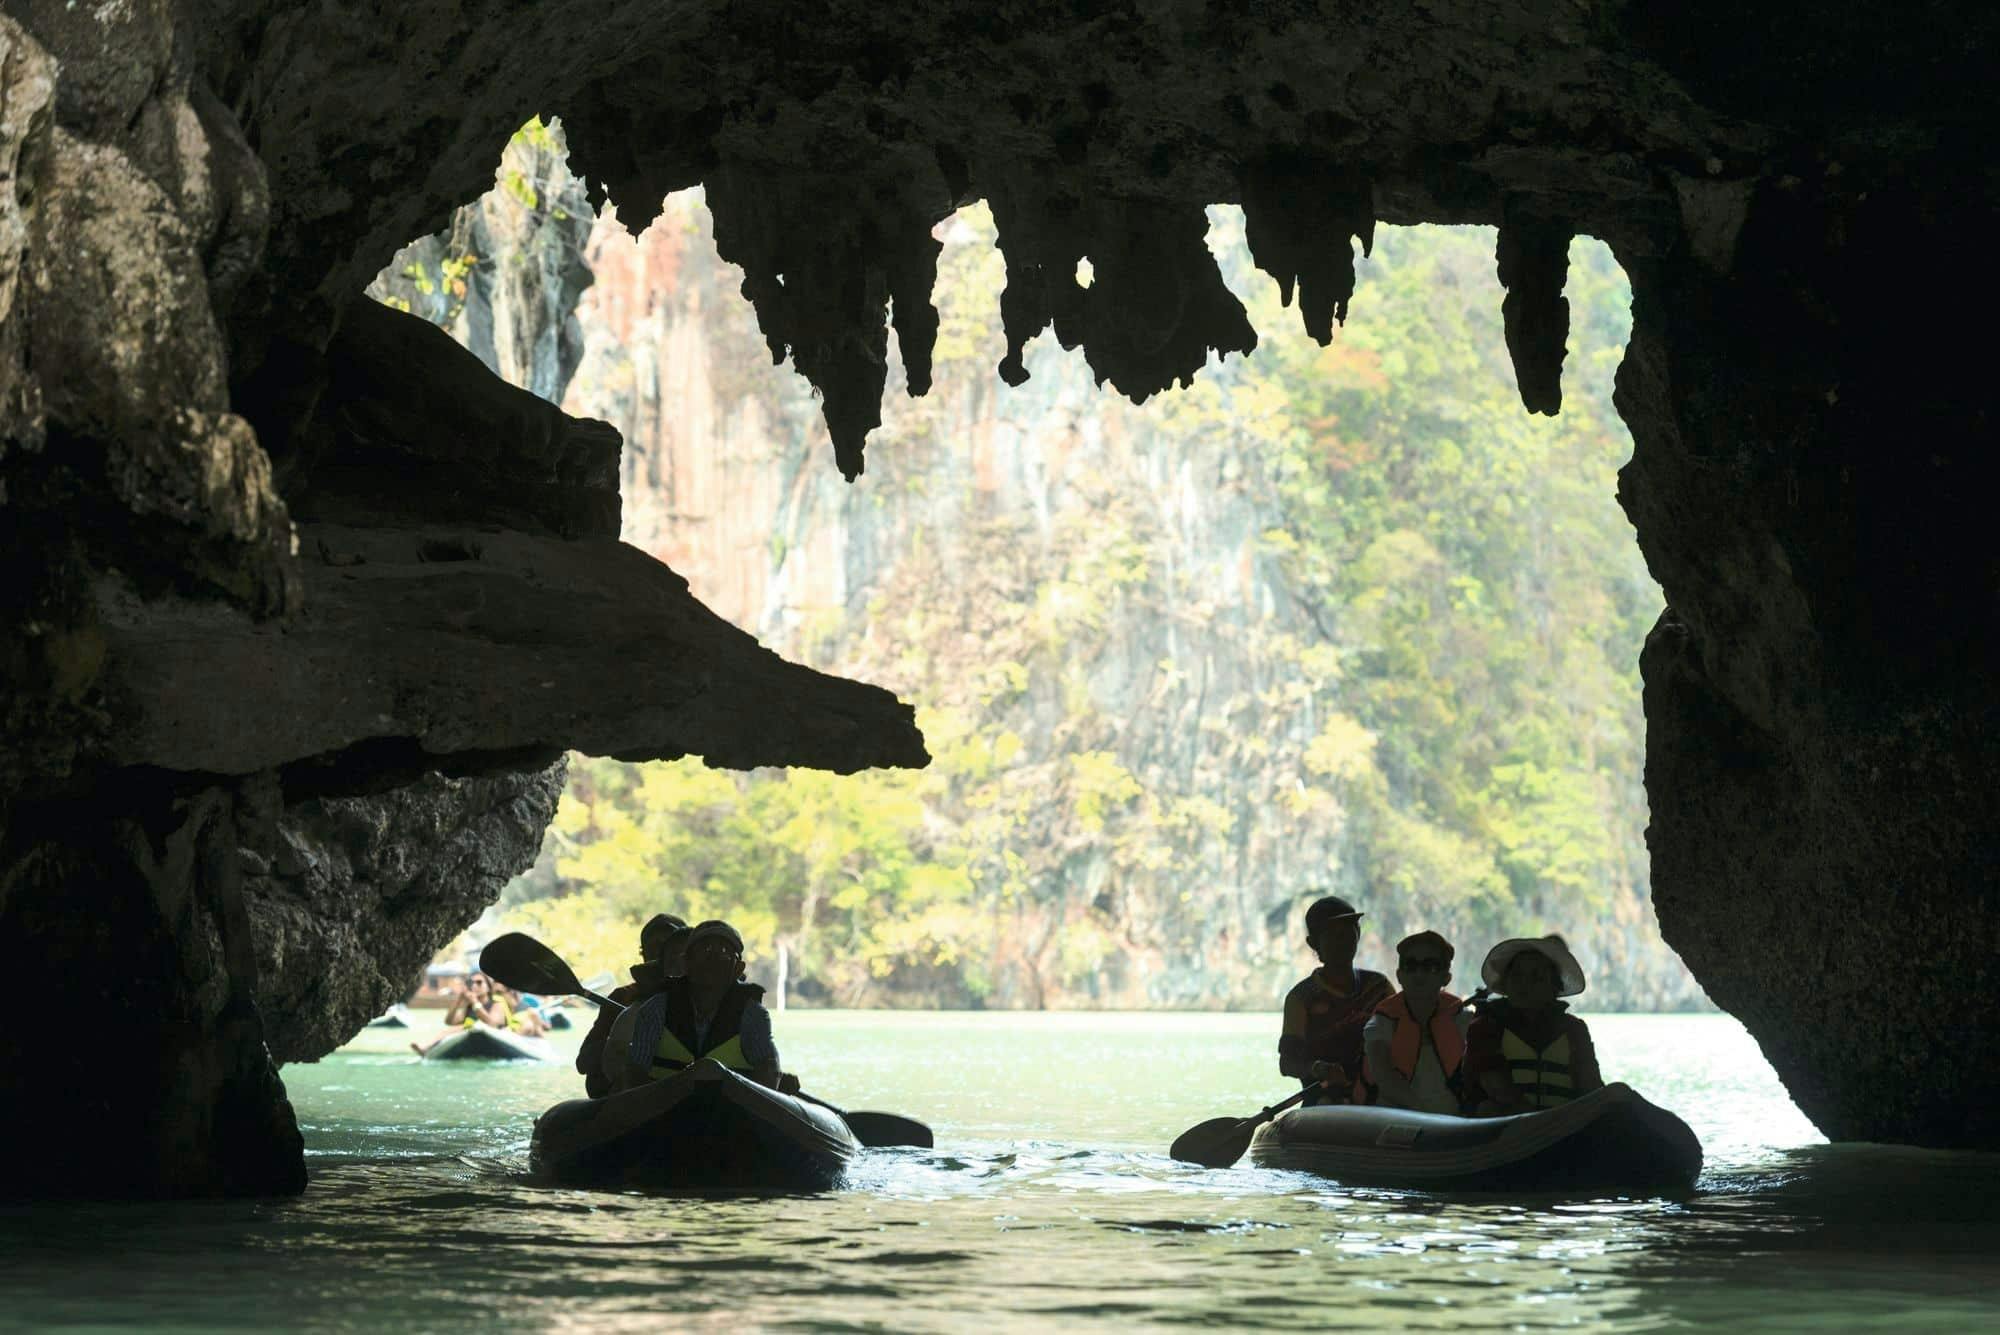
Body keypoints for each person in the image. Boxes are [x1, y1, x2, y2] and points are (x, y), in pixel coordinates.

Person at [604, 919, 782, 1091]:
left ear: (738, 969)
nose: (712, 960)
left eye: (724, 952)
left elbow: (767, 1071)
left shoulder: (753, 1014)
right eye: (703, 951)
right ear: (686, 963)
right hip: (664, 1110)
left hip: (729, 1113)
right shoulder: (656, 1008)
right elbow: (636, 1072)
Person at [1461, 934, 1603, 1115]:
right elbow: (1496, 1086)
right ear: (1505, 984)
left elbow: (1591, 1088)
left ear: (1554, 987)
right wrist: (1544, 1125)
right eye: (1517, 975)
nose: (1524, 984)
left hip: (1564, 1127)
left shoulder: (1574, 1030)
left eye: (1537, 977)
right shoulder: (1486, 1027)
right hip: (1505, 1129)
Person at [1279, 896, 1393, 1104]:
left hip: (1379, 1101)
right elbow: (1287, 1063)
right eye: (1332, 934)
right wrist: (1318, 1068)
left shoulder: (1379, 986)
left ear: (1358, 934)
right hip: (1324, 1105)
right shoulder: (1301, 998)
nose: (1342, 940)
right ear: (1313, 943)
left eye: (1348, 931)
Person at [1359, 930, 1473, 1114]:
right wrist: (1423, 1112)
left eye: (1431, 966)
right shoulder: (1382, 1023)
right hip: (1397, 1120)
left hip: (1455, 1125)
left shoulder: (1462, 1019)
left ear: (1447, 977)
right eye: (1410, 965)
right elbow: (1384, 1075)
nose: (1419, 973)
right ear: (1399, 975)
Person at [578, 913, 688, 1097]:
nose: (663, 955)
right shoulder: (622, 998)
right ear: (643, 954)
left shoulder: (705, 995)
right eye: (656, 947)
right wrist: (622, 1040)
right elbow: (583, 1063)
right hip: (629, 1095)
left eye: (671, 948)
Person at [410, 971, 511, 1055]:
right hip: (473, 1040)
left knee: (462, 1027)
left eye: (479, 982)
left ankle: (427, 1046)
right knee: (455, 1028)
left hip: (494, 1040)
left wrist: (475, 1002)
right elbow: (449, 1021)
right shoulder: (469, 1007)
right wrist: (459, 999)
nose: (475, 986)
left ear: (488, 987)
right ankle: (427, 1047)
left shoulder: (497, 1005)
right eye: (471, 983)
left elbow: (492, 1024)